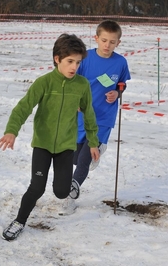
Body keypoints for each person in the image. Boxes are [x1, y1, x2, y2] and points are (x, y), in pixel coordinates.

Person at [0, 33, 100, 241]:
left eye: (78, 62)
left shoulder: (82, 85)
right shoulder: (44, 83)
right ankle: (19, 221)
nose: (74, 67)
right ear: (57, 59)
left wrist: (93, 142)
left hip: (65, 146)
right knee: (36, 187)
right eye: (70, 61)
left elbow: (89, 114)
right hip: (43, 145)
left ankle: (68, 185)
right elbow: (23, 107)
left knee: (61, 192)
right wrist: (11, 130)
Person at [59, 20, 131, 215]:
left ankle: (70, 195)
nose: (107, 45)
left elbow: (122, 85)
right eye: (104, 40)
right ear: (96, 38)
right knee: (76, 156)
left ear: (118, 43)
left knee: (84, 159)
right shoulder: (85, 58)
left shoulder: (120, 62)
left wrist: (117, 92)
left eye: (112, 42)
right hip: (82, 115)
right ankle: (94, 155)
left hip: (104, 117)